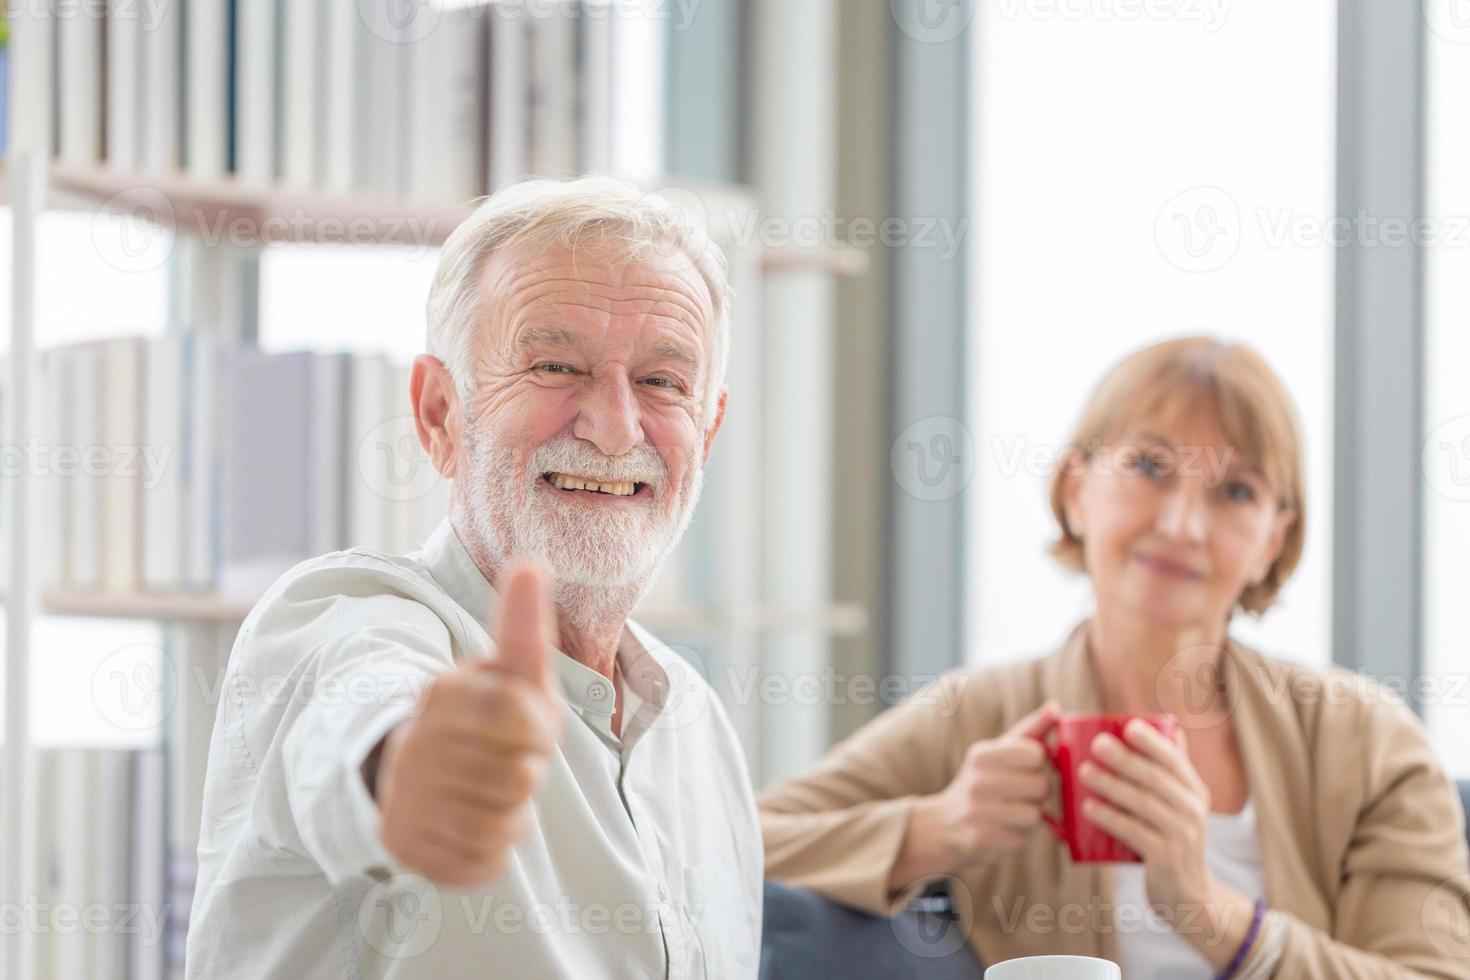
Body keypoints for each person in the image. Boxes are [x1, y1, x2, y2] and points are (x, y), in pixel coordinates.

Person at [187, 177, 761, 979]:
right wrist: (406, 770)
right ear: (439, 415)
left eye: (664, 382)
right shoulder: (339, 618)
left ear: (709, 426)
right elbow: (354, 716)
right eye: (555, 365)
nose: (614, 426)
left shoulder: (698, 725)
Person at [760, 337, 1470, 977]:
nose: (1182, 524)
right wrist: (937, 828)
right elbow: (731, 843)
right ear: (1076, 491)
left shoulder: (1367, 740)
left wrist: (1206, 906)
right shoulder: (980, 716)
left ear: (1274, 540)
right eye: (1149, 467)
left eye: (1235, 491)